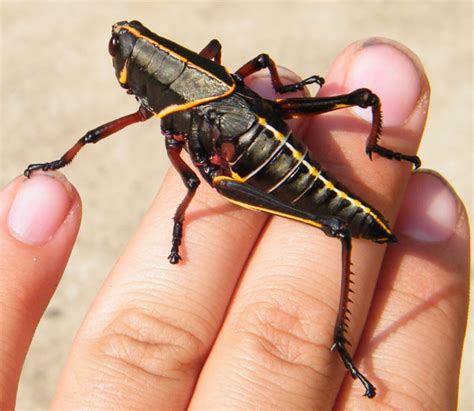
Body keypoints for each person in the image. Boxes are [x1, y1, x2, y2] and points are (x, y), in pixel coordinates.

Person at [1, 38, 469, 409]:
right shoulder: (202, 70)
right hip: (242, 118)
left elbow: (186, 180)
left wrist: (181, 219)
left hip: (266, 152)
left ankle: (340, 343)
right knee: (225, 179)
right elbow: (244, 60)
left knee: (288, 208)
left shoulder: (171, 112)